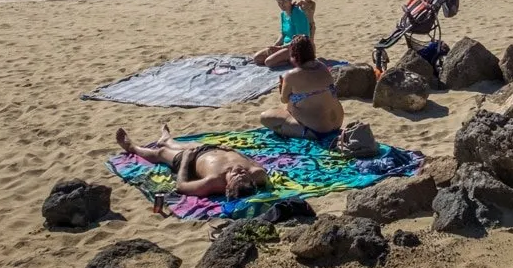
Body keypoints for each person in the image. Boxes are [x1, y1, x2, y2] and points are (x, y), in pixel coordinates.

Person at [115, 124, 268, 200]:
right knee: (189, 144)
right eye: (243, 172)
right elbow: (253, 163)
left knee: (161, 153)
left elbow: (181, 186)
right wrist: (235, 152)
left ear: (227, 186)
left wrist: (185, 160)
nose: (240, 170)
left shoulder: (212, 182)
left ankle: (132, 147)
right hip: (214, 150)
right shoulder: (257, 174)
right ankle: (167, 140)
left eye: (236, 174)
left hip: (190, 161)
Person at [260, 36, 344, 141]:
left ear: (294, 54)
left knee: (265, 117)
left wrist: (282, 88)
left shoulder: (291, 75)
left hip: (316, 130)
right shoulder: (322, 67)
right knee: (300, 100)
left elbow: (284, 99)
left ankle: (306, 133)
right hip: (337, 123)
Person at [253, 0, 315, 68]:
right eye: (279, 3)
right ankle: (285, 59)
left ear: (290, 0)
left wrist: (280, 48)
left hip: (296, 47)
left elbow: (301, 40)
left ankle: (290, 61)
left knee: (269, 62)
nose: (282, 5)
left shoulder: (298, 14)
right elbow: (283, 34)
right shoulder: (283, 14)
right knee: (257, 58)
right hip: (285, 46)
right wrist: (274, 46)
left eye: (284, 2)